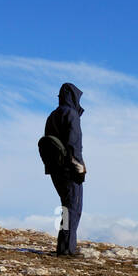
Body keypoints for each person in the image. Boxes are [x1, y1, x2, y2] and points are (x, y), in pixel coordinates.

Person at [45, 82, 85, 256]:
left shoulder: (52, 115)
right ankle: (68, 249)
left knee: (66, 208)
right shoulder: (71, 114)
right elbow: (74, 144)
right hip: (69, 169)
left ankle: (63, 247)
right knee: (74, 208)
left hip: (54, 169)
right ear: (73, 97)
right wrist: (80, 167)